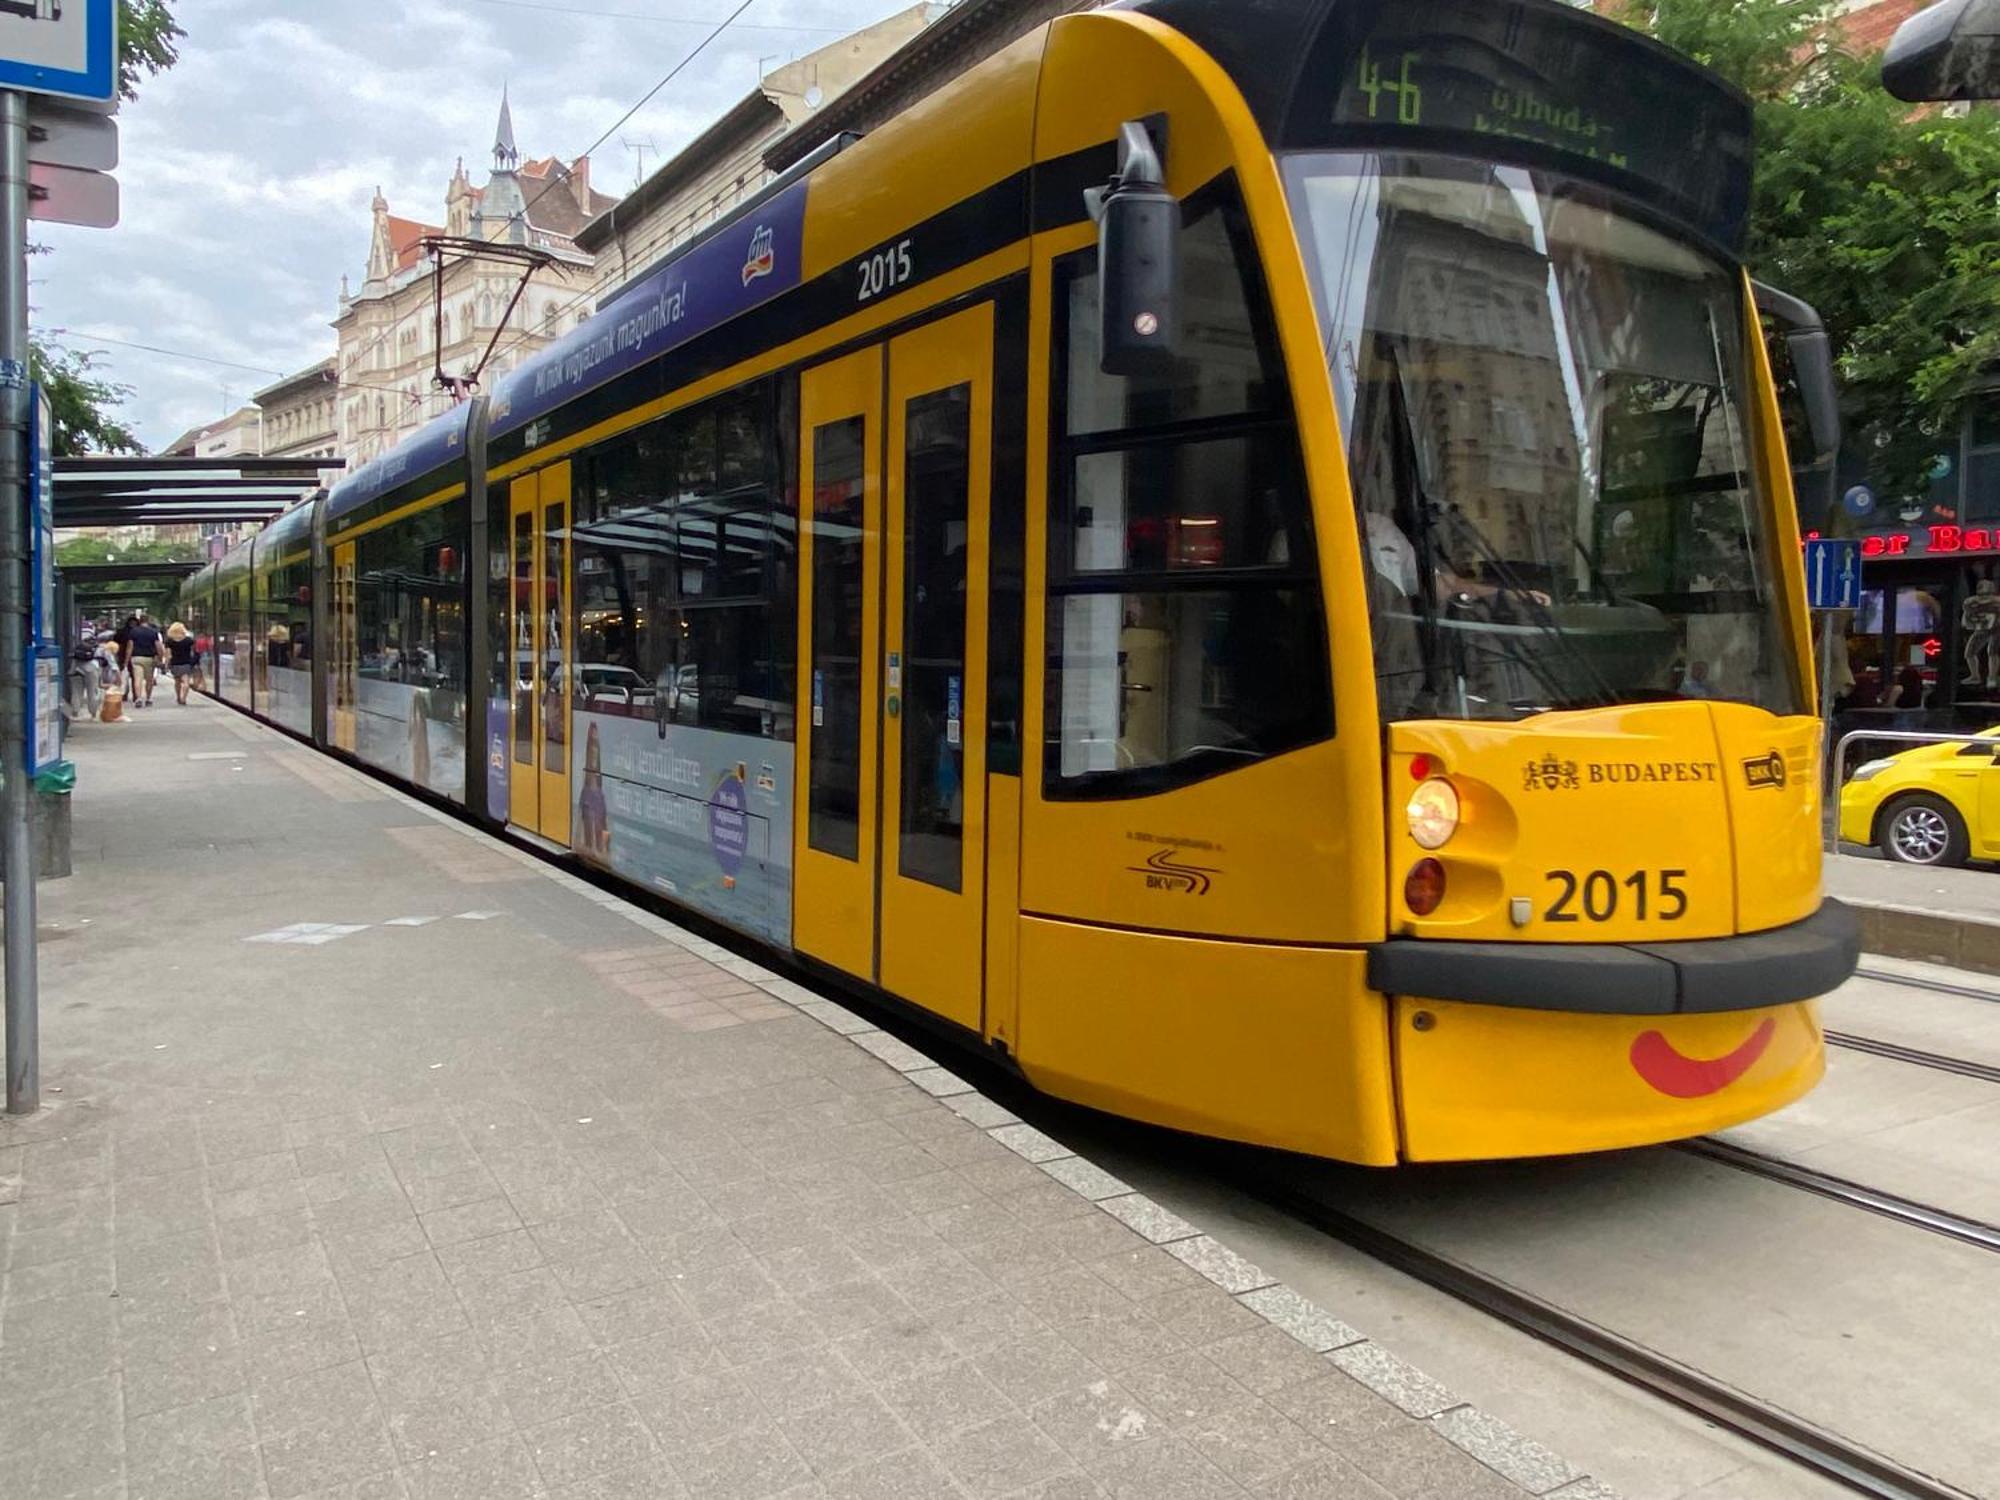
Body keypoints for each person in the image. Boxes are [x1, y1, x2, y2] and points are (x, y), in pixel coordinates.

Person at [125, 611, 163, 707]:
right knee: (149, 679)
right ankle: (148, 698)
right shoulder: (153, 632)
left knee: (137, 679)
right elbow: (158, 646)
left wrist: (126, 661)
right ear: (148, 621)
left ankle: (138, 699)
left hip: (136, 658)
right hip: (149, 659)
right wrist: (160, 658)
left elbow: (130, 647)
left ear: (139, 621)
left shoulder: (133, 631)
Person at [164, 622, 200, 706]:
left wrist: (166, 665)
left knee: (177, 682)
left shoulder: (169, 641)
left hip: (175, 664)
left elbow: (168, 655)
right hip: (186, 663)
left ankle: (178, 697)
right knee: (186, 682)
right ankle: (184, 698)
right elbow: (194, 652)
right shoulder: (188, 640)